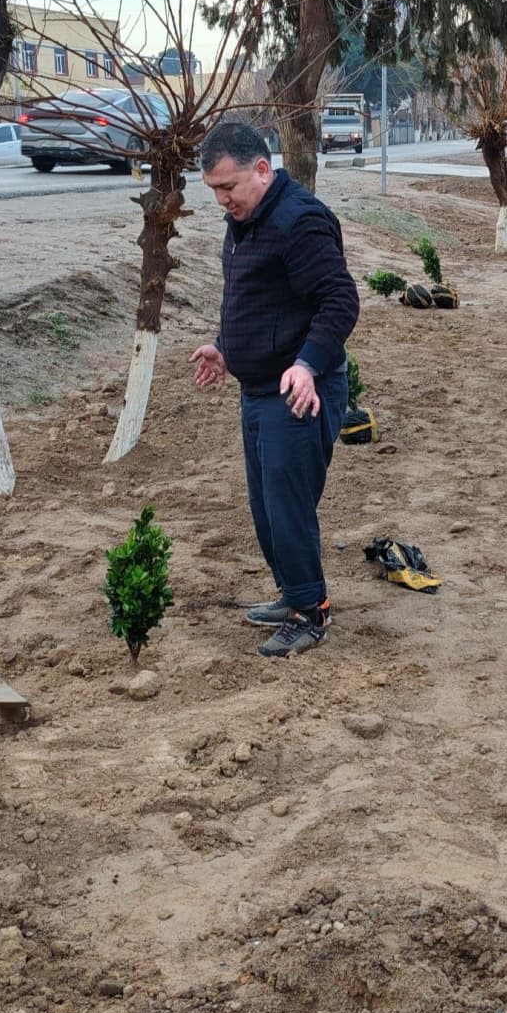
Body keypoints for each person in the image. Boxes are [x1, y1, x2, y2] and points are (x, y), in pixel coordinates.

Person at [189, 121, 359, 656]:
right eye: (214, 190)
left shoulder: (298, 221)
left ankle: (312, 611)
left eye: (228, 187)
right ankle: (292, 594)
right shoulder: (246, 219)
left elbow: (340, 301)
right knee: (265, 506)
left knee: (288, 507)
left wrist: (308, 364)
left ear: (262, 169)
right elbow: (252, 298)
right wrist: (225, 347)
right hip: (259, 389)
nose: (222, 200)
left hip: (298, 392)